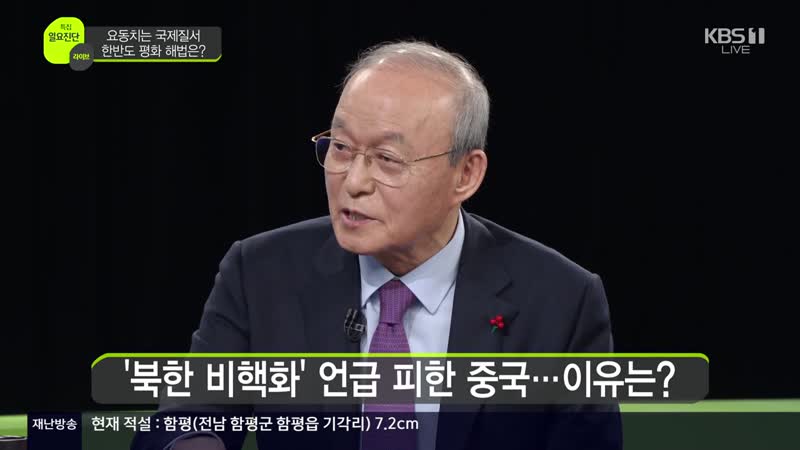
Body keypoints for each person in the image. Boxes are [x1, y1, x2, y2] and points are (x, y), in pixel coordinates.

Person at [132, 39, 620, 450]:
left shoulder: (561, 301)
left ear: (466, 174)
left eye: (387, 159)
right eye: (341, 148)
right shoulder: (259, 272)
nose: (353, 182)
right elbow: (181, 420)